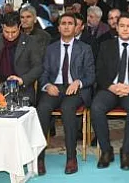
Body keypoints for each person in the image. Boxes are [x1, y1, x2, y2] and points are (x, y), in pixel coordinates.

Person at [91, 12, 129, 170]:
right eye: (122, 26)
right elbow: (99, 72)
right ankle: (106, 150)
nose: (125, 29)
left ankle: (126, 151)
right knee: (96, 107)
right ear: (117, 28)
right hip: (110, 88)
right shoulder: (106, 46)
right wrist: (111, 86)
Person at [36, 13, 96, 175]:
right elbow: (43, 73)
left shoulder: (85, 48)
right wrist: (47, 85)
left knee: (68, 108)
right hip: (55, 88)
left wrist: (78, 82)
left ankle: (71, 157)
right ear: (58, 27)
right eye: (63, 23)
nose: (67, 26)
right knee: (42, 108)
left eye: (70, 23)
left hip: (75, 89)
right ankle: (39, 158)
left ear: (76, 28)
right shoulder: (51, 48)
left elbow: (91, 75)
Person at [0, 12, 44, 104]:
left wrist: (22, 80)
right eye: (6, 32)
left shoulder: (31, 42)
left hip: (22, 91)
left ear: (19, 27)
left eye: (14, 32)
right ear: (2, 27)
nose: (10, 35)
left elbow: (38, 67)